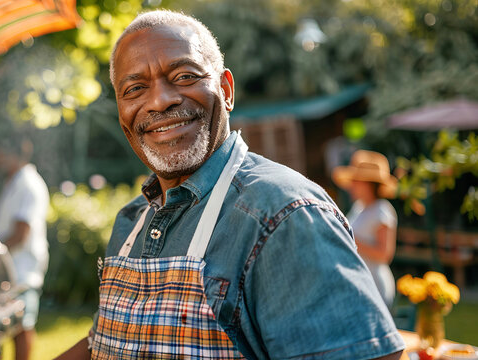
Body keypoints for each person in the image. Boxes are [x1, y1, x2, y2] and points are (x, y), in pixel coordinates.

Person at [57, 10, 405, 360]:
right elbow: (103, 341)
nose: (160, 100)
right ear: (121, 111)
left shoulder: (283, 216)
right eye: (134, 89)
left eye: (183, 76)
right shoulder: (132, 220)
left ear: (225, 91)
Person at [0, 134, 49, 360]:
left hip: (22, 270)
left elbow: (20, 234)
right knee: (6, 326)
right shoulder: (14, 181)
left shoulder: (28, 184)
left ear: (12, 153)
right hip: (10, 269)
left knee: (22, 326)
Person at [332, 150, 399, 308]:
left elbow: (385, 254)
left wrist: (348, 239)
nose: (351, 185)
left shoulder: (382, 210)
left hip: (374, 285)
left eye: (356, 180)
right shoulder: (359, 208)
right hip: (360, 283)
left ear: (369, 183)